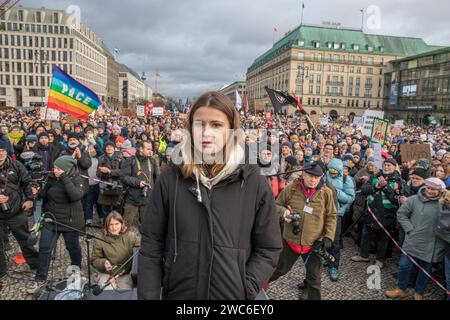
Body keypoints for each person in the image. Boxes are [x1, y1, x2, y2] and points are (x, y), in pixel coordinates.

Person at [138, 92, 282, 300]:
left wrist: (245, 287)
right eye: (199, 124)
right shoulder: (171, 177)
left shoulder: (253, 182)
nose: (206, 132)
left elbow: (269, 247)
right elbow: (151, 245)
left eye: (216, 125)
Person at [270, 162, 337, 300]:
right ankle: (254, 288)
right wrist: (284, 212)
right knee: (278, 269)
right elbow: (276, 205)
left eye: (317, 177)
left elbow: (332, 215)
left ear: (322, 177)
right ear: (303, 174)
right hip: (290, 240)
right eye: (310, 176)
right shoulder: (291, 188)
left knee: (314, 279)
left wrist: (328, 237)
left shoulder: (327, 193)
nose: (313, 180)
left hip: (314, 244)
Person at [27, 155, 86, 294]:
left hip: (70, 221)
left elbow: (75, 196)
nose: (55, 170)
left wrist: (64, 177)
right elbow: (46, 195)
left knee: (73, 247)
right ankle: (40, 278)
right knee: (44, 248)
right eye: (54, 167)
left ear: (66, 169)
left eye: (58, 168)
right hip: (51, 220)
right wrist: (38, 193)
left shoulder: (77, 179)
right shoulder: (53, 178)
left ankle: (75, 270)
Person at [386, 178, 447, 300]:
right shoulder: (414, 200)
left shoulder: (444, 203)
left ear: (440, 190)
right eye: (429, 188)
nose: (430, 191)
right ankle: (401, 289)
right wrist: (410, 229)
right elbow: (401, 214)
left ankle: (419, 292)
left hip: (432, 243)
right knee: (404, 266)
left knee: (425, 271)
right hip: (413, 240)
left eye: (434, 189)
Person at [352, 158, 404, 269]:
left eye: (389, 165)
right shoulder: (375, 176)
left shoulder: (398, 180)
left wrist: (385, 187)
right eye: (385, 164)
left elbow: (396, 200)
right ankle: (363, 255)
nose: (386, 167)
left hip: (386, 215)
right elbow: (365, 190)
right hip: (371, 213)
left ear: (395, 167)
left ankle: (380, 260)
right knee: (366, 235)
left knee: (383, 239)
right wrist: (375, 187)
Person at [0, 141, 38, 286]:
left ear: (7, 151)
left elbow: (27, 182)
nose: (0, 153)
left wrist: (29, 199)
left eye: (3, 150)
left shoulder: (16, 165)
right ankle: (1, 271)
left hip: (16, 211)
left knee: (25, 239)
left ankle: (35, 264)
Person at [91, 212, 140, 291]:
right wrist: (103, 263)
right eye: (111, 224)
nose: (114, 227)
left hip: (125, 274)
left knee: (125, 294)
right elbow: (94, 260)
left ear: (121, 224)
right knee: (107, 292)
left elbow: (141, 249)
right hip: (106, 274)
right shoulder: (99, 240)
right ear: (107, 226)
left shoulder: (131, 236)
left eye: (116, 224)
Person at [325, 159, 355, 281]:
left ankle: (334, 266)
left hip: (336, 214)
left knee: (335, 242)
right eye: (330, 171)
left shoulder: (346, 179)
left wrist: (336, 192)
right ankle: (327, 259)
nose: (332, 174)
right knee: (322, 239)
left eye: (335, 172)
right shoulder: (324, 177)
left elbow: (350, 198)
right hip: (323, 214)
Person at [120, 141, 160, 229]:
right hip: (132, 198)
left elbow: (157, 178)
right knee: (125, 225)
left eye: (151, 149)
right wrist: (137, 182)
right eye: (148, 149)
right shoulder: (131, 160)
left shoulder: (152, 161)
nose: (151, 151)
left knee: (147, 226)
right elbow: (123, 177)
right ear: (141, 149)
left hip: (147, 198)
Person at [97, 142, 123, 214]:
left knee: (117, 210)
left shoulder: (120, 158)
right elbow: (97, 174)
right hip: (105, 188)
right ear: (105, 149)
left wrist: (110, 171)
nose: (109, 148)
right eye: (107, 147)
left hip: (117, 186)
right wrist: (103, 172)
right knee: (106, 210)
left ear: (114, 148)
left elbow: (123, 172)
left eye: (111, 147)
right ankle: (107, 224)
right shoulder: (101, 158)